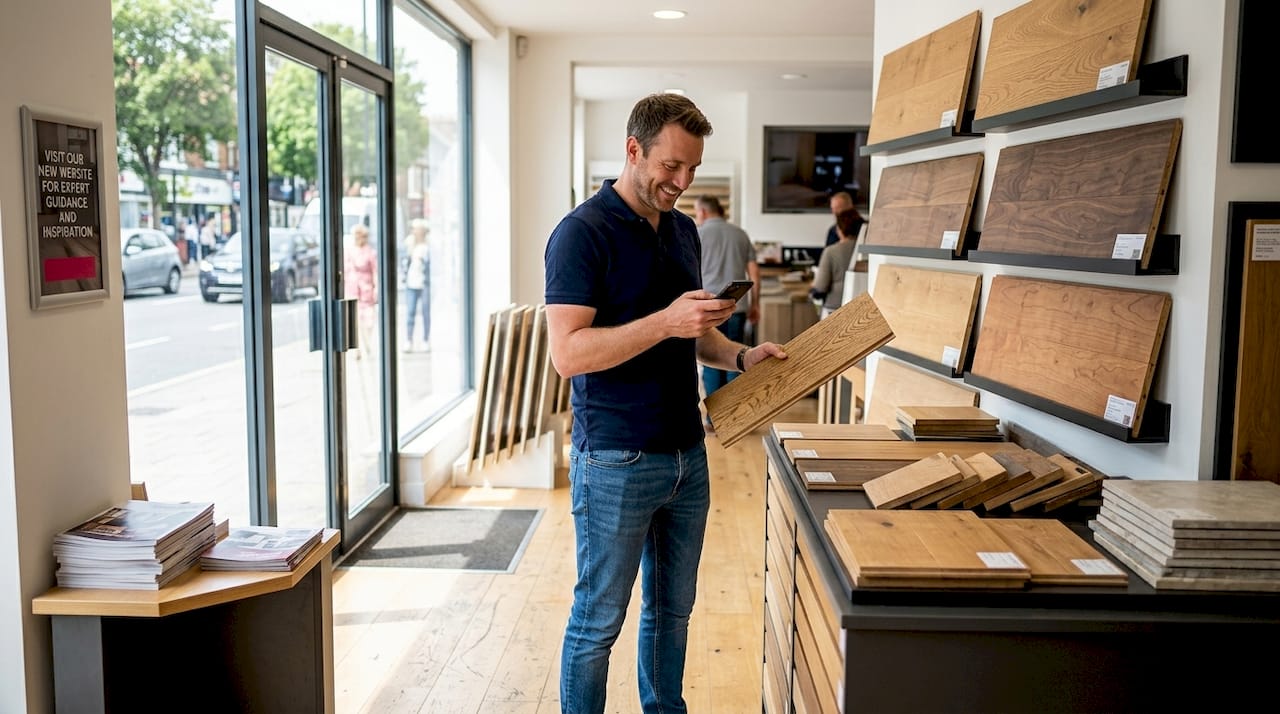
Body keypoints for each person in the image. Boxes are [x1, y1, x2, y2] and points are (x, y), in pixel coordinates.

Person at [544, 93, 787, 714]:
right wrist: (665, 322)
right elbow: (568, 355)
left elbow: (694, 331)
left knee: (673, 613)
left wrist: (738, 357)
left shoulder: (683, 230)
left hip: (687, 453)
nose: (681, 182)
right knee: (599, 620)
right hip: (616, 459)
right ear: (633, 149)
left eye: (692, 170)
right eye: (671, 166)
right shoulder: (581, 233)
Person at [694, 193, 759, 408]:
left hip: (707, 308)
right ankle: (735, 413)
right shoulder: (740, 234)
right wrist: (755, 303)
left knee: (712, 361)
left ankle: (714, 419)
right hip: (737, 306)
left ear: (702, 211)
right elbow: (754, 273)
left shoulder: (696, 234)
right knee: (737, 358)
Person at [810, 207, 866, 318]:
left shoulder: (831, 251)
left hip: (834, 308)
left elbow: (821, 287)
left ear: (839, 229)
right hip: (861, 307)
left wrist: (812, 287)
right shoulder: (865, 251)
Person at [344, 224, 378, 357]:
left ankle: (367, 343)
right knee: (355, 320)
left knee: (369, 320)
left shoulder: (371, 252)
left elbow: (375, 271)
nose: (359, 239)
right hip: (352, 289)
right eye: (357, 236)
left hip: (366, 290)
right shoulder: (349, 251)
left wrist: (376, 288)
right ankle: (358, 348)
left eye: (362, 236)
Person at [402, 219, 431, 353]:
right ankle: (409, 340)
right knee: (410, 312)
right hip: (411, 283)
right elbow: (404, 261)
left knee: (425, 313)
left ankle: (425, 340)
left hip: (424, 284)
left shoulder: (428, 246)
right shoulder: (409, 244)